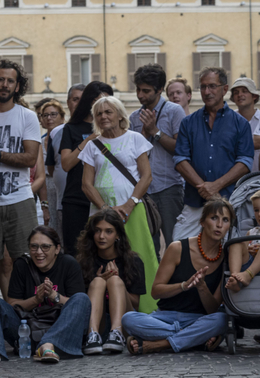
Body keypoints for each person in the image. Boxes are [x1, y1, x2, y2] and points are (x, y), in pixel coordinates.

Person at [0, 226, 90, 363]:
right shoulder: (22, 265)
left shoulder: (68, 264)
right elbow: (12, 304)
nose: (39, 252)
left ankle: (49, 344)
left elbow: (79, 306)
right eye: (34, 247)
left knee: (83, 298)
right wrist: (36, 299)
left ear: (57, 249)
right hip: (27, 332)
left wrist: (54, 295)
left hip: (59, 329)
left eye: (45, 247)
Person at [79, 95, 159, 313]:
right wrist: (106, 210)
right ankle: (106, 310)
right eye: (99, 113)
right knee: (102, 257)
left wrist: (130, 204)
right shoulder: (92, 145)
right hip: (101, 214)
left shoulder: (135, 138)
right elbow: (86, 185)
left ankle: (148, 311)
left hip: (133, 210)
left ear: (120, 115)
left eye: (108, 112)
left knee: (141, 256)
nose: (103, 116)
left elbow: (146, 176)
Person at [122, 199, 233, 354]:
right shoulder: (178, 248)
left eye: (225, 220)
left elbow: (212, 309)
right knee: (128, 319)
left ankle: (159, 344)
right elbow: (155, 291)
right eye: (214, 218)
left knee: (222, 320)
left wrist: (202, 288)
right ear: (202, 221)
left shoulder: (226, 258)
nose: (219, 225)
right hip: (164, 317)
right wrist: (183, 286)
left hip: (198, 319)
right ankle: (193, 339)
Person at [172, 67, 254, 241]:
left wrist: (215, 186)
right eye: (203, 87)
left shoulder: (241, 124)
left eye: (212, 86)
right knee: (180, 245)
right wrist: (204, 187)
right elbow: (180, 159)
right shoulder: (188, 122)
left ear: (224, 89)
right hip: (195, 201)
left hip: (229, 200)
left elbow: (245, 161)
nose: (207, 92)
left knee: (228, 251)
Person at [0, 59, 42, 300]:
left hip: (20, 199)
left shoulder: (27, 116)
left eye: (10, 81)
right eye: (1, 79)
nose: (5, 85)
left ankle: (24, 316)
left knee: (26, 262)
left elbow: (30, 158)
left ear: (18, 86)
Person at [130, 63, 186, 254]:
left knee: (174, 243)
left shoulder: (175, 111)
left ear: (160, 89)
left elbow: (180, 149)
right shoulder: (133, 117)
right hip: (143, 191)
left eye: (146, 91)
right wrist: (143, 137)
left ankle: (177, 283)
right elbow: (132, 155)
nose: (140, 95)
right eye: (138, 90)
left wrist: (155, 131)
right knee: (147, 246)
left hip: (169, 188)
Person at [77, 209, 147, 354]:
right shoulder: (84, 262)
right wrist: (99, 284)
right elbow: (79, 302)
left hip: (125, 322)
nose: (102, 236)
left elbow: (135, 304)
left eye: (108, 231)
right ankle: (92, 335)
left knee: (114, 280)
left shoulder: (133, 261)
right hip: (97, 321)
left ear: (117, 235)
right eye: (97, 231)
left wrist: (116, 284)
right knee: (98, 282)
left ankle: (116, 333)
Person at [59, 81, 114, 254]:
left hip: (106, 200)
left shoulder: (115, 129)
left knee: (106, 252)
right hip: (76, 199)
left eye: (107, 100)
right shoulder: (71, 128)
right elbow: (66, 164)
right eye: (98, 100)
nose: (102, 105)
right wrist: (90, 139)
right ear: (89, 101)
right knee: (76, 253)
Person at [40, 99, 66, 233]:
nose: (49, 118)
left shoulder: (68, 138)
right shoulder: (38, 142)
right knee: (50, 228)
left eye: (53, 114)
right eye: (45, 115)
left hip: (63, 186)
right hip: (45, 188)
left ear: (62, 117)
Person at [229, 77, 260, 171]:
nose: (240, 95)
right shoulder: (228, 120)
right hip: (235, 180)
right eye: (236, 92)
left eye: (244, 91)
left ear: (254, 96)